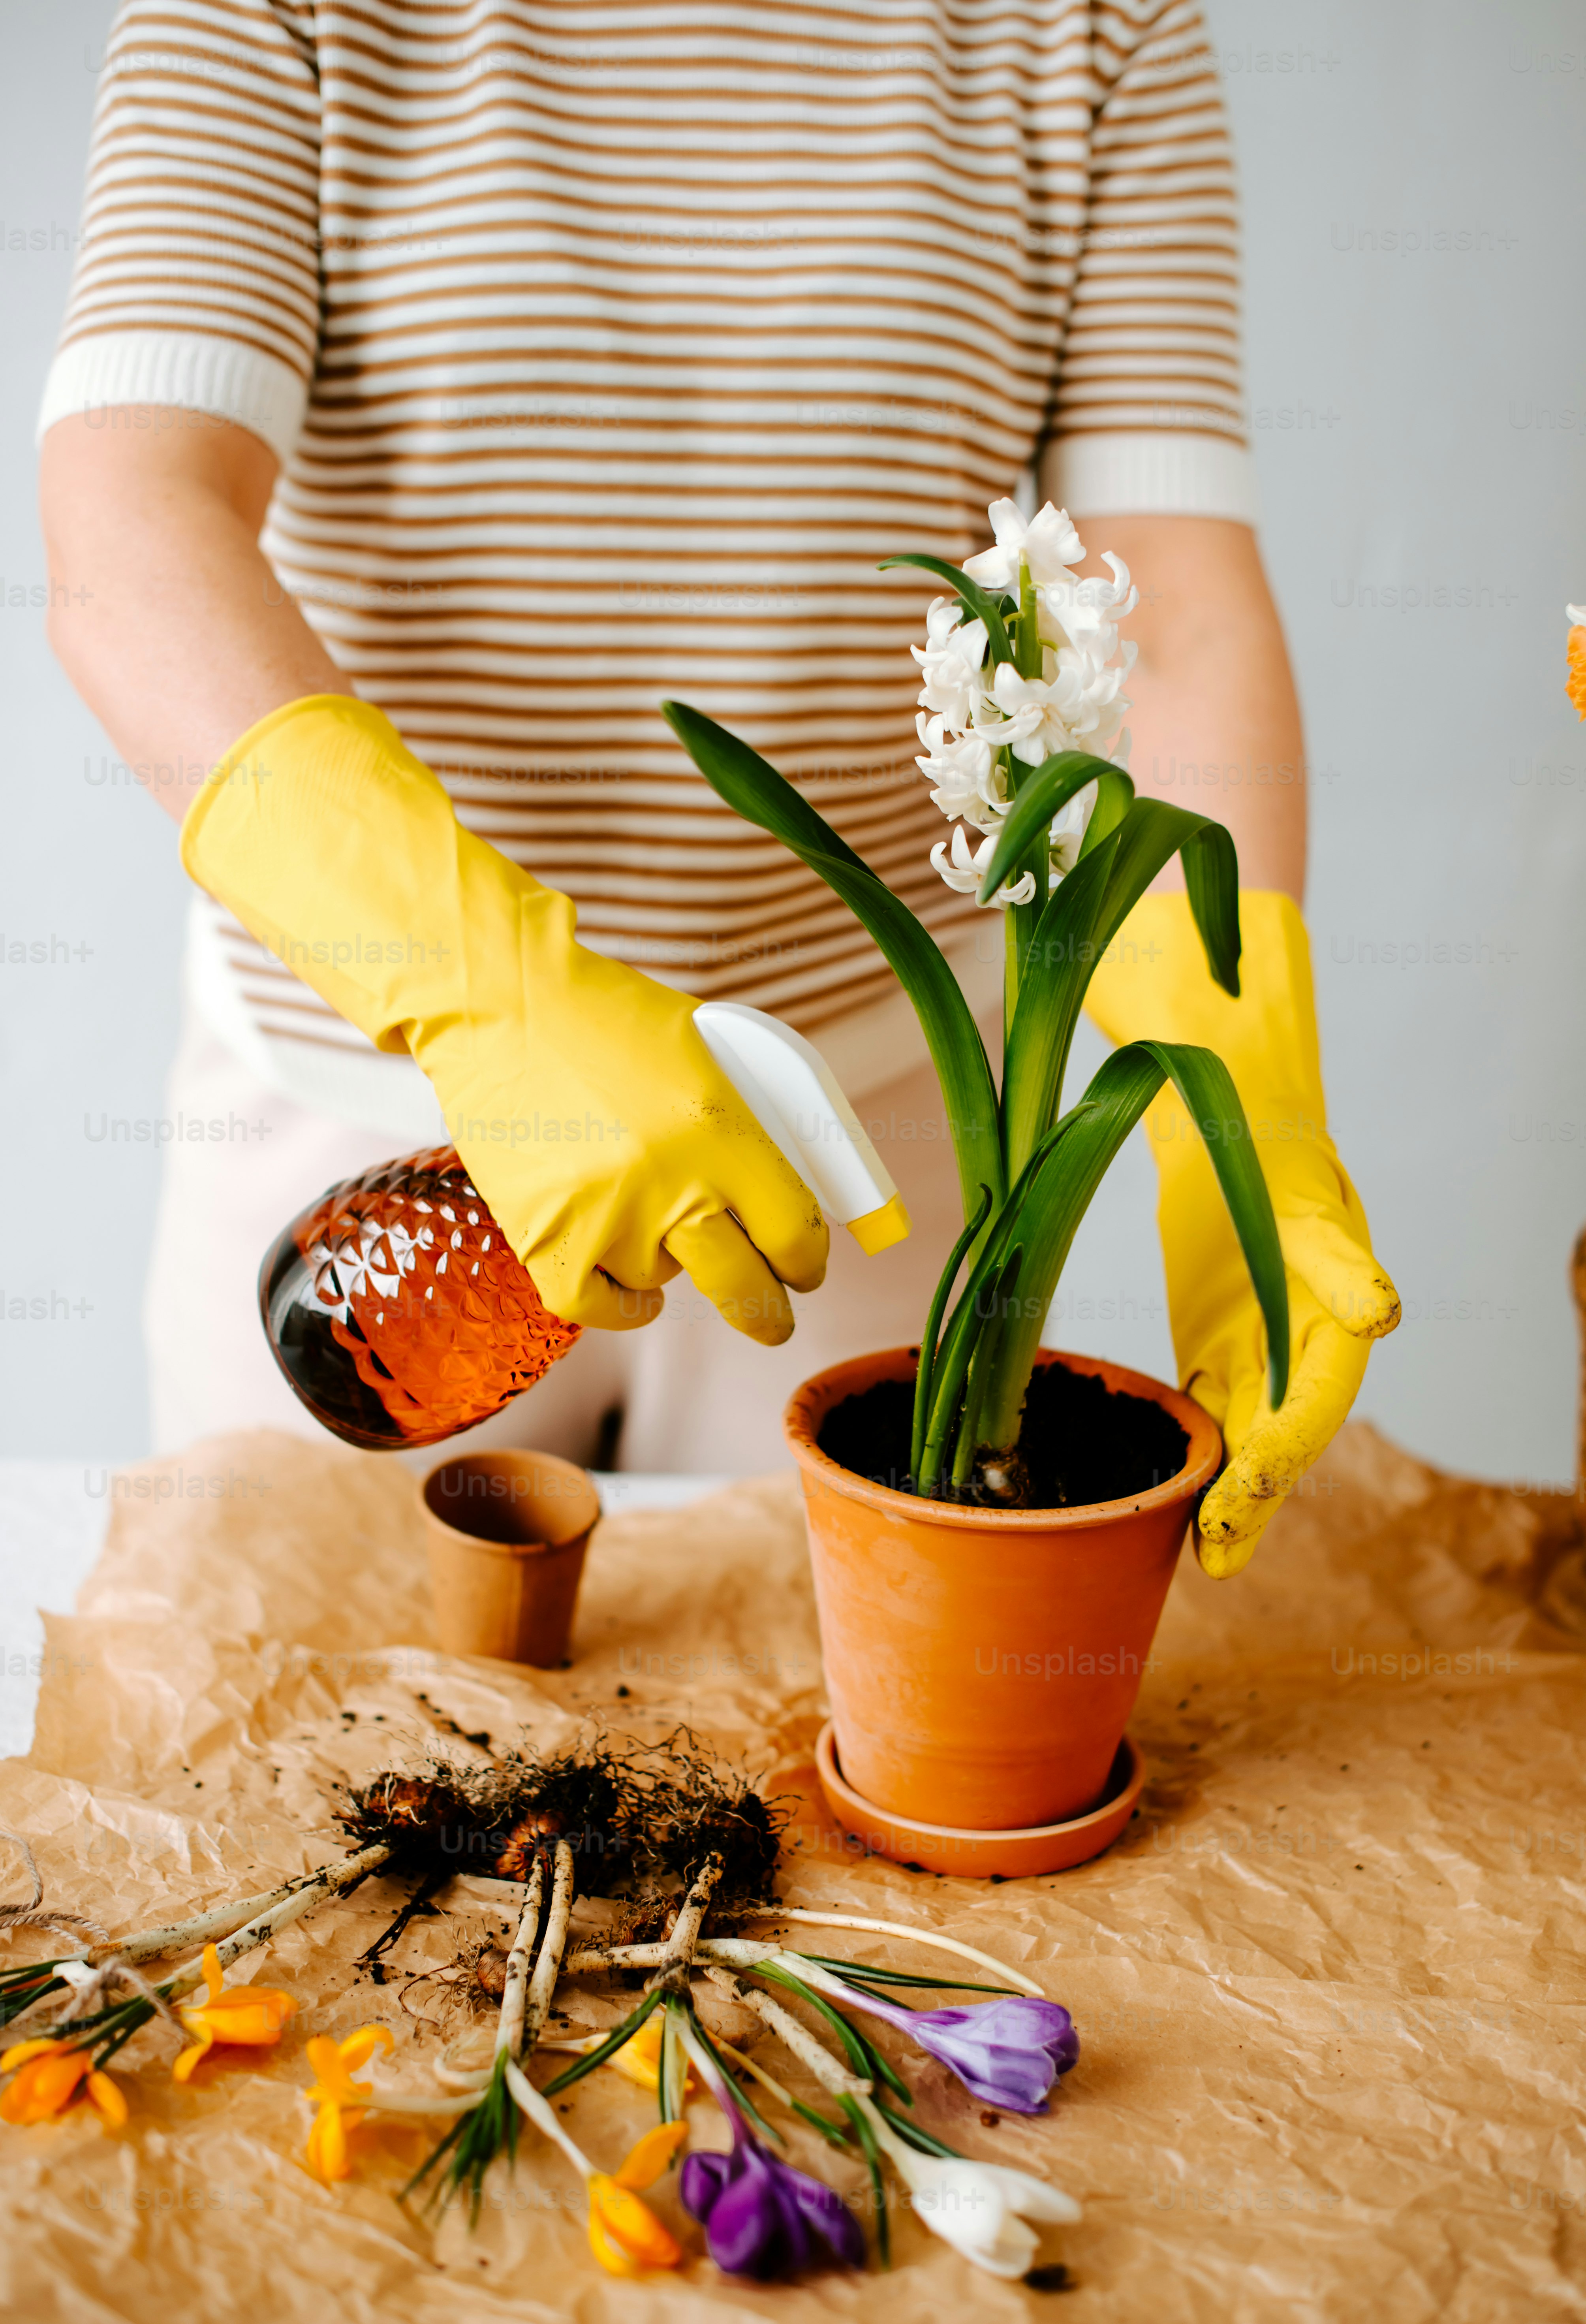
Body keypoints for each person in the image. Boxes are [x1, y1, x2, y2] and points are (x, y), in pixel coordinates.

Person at [39, 0, 1396, 1573]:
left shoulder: (1092, 26)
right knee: (298, 1739)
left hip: (857, 1164)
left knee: (824, 1759)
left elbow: (1167, 599)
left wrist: (1243, 1085)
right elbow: (133, 522)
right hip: (372, 1142)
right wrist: (488, 995)